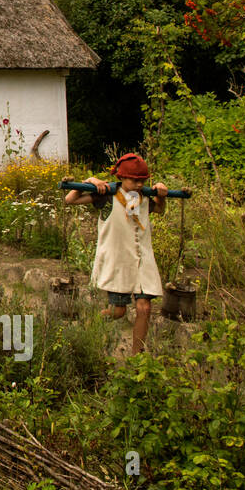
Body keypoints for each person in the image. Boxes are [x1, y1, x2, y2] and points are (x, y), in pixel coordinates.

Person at [64, 152, 169, 354]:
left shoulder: (145, 197)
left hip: (142, 260)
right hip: (119, 261)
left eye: (142, 180)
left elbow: (159, 210)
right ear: (121, 177)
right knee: (117, 312)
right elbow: (70, 199)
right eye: (134, 180)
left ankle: (137, 358)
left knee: (144, 308)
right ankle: (89, 326)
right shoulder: (108, 196)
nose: (139, 184)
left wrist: (161, 195)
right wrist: (90, 180)